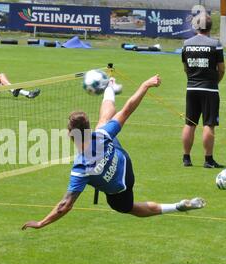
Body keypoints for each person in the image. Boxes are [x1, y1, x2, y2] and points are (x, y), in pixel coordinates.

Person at [22, 76, 206, 230]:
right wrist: (145, 85)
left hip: (120, 189)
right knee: (103, 122)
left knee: (129, 208)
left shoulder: (81, 168)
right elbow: (127, 109)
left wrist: (41, 223)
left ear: (71, 135)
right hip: (124, 164)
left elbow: (65, 205)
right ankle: (109, 87)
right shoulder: (101, 135)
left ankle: (175, 206)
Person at [181, 14, 225, 168]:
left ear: (196, 27)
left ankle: (186, 158)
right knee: (209, 124)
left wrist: (192, 78)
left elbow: (186, 68)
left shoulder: (186, 44)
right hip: (210, 89)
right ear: (210, 27)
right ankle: (208, 160)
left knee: (189, 123)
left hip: (191, 87)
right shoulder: (215, 44)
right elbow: (221, 69)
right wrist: (214, 82)